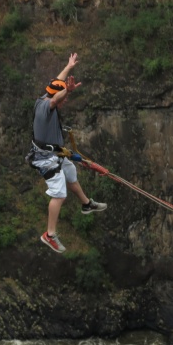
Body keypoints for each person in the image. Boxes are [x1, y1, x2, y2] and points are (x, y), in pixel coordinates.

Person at [29, 52, 107, 253]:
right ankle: (50, 234)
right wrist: (69, 92)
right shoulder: (47, 106)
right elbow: (56, 99)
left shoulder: (42, 98)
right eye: (62, 99)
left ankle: (86, 204)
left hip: (56, 153)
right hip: (45, 159)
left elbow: (56, 82)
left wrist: (68, 66)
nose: (63, 104)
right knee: (59, 195)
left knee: (71, 175)